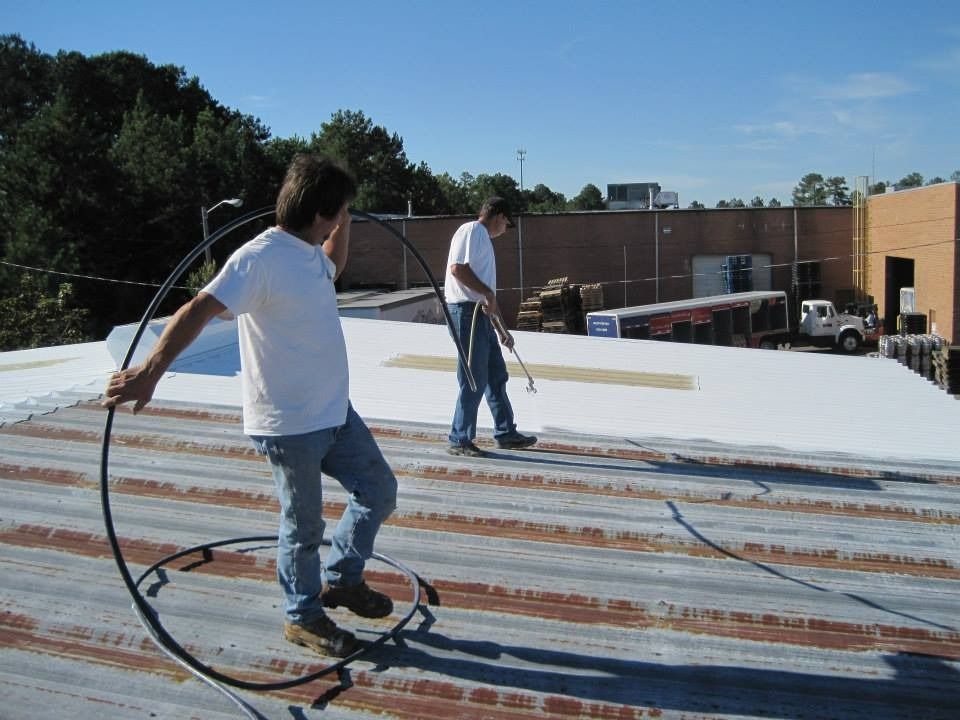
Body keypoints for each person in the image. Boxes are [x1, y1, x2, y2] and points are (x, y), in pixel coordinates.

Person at [102, 155, 397, 659]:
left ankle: (343, 580)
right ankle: (302, 617)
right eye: (339, 212)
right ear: (319, 213)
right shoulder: (258, 258)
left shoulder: (308, 252)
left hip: (333, 412)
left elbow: (334, 266)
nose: (340, 221)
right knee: (304, 527)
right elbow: (198, 308)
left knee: (379, 491)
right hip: (289, 423)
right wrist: (150, 372)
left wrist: (343, 222)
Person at [444, 196, 537, 457]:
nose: (505, 230)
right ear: (499, 216)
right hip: (466, 314)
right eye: (507, 224)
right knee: (473, 378)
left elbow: (488, 298)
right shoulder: (472, 231)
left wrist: (502, 330)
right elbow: (457, 269)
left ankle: (505, 432)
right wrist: (486, 294)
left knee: (495, 375)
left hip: (478, 316)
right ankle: (459, 439)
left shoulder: (482, 238)